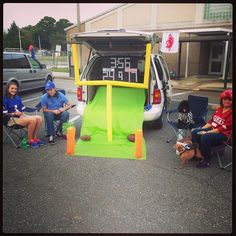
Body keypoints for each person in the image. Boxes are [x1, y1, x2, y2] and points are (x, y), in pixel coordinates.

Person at [191, 90, 232, 168]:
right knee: (195, 132)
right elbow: (211, 122)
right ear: (222, 99)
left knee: (205, 137)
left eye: (229, 99)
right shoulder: (219, 109)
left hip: (223, 134)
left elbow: (222, 128)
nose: (227, 101)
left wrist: (207, 132)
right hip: (214, 130)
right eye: (225, 99)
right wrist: (201, 129)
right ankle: (198, 154)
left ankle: (206, 160)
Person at [3, 82, 44, 148]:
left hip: (20, 117)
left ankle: (34, 138)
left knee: (39, 118)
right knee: (33, 120)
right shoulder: (4, 99)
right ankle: (29, 140)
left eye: (15, 89)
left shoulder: (18, 98)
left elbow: (22, 109)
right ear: (8, 89)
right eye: (12, 88)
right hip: (10, 119)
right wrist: (14, 113)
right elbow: (4, 114)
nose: (14, 90)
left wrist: (21, 113)